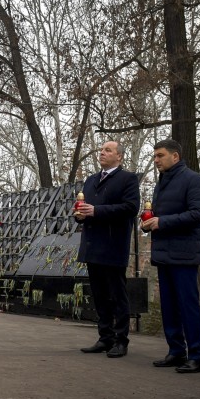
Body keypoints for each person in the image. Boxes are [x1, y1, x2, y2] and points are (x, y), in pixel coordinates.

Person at [140, 139, 200, 373]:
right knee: (169, 306)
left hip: (185, 254)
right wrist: (148, 222)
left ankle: (196, 356)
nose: (156, 160)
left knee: (187, 306)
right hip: (164, 253)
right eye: (155, 156)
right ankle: (176, 352)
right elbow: (162, 216)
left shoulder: (195, 180)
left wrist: (162, 222)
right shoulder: (162, 183)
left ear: (175, 157)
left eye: (160, 155)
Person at [75, 141, 140, 358]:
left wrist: (96, 211)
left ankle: (121, 340)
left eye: (108, 150)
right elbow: (84, 209)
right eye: (101, 150)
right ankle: (105, 337)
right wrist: (80, 215)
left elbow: (131, 208)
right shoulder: (92, 180)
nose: (102, 153)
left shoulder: (127, 179)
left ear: (119, 157)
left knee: (116, 295)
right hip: (93, 244)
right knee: (100, 295)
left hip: (113, 245)